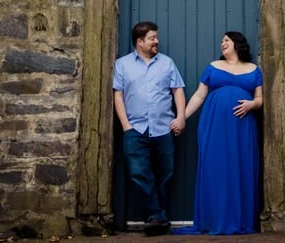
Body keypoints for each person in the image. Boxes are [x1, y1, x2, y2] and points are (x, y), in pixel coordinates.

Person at [180, 31, 264, 235]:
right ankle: (214, 220)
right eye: (221, 41)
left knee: (241, 167)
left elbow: (260, 99)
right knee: (215, 167)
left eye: (226, 40)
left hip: (242, 129)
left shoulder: (254, 69)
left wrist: (252, 104)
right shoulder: (213, 67)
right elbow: (199, 96)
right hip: (214, 125)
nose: (222, 43)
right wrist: (182, 117)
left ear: (237, 43)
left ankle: (239, 220)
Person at [113, 20, 186, 235]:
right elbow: (118, 95)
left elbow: (178, 91)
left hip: (164, 128)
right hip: (135, 129)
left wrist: (181, 117)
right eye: (152, 38)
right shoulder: (122, 64)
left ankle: (156, 218)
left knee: (166, 173)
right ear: (140, 41)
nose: (157, 41)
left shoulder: (167, 63)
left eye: (156, 37)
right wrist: (126, 125)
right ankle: (157, 216)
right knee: (138, 173)